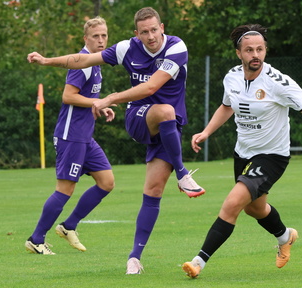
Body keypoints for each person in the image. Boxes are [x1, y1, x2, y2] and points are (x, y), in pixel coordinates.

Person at [27, 7, 205, 272]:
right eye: (144, 32)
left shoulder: (176, 48)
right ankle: (182, 173)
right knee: (165, 110)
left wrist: (109, 99)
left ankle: (134, 258)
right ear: (137, 34)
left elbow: (152, 86)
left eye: (154, 30)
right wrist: (46, 60)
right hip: (136, 118)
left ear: (162, 27)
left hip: (167, 127)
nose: (150, 36)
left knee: (149, 190)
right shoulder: (126, 48)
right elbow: (82, 60)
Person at [181, 24, 302, 279]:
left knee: (233, 204)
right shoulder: (232, 77)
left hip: (272, 156)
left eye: (260, 49)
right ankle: (285, 236)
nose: (255, 54)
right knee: (254, 209)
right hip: (243, 153)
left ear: (266, 51)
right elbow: (227, 107)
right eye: (249, 50)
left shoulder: (278, 82)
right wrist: (206, 132)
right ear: (239, 53)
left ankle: (198, 261)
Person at [25, 16, 115, 255]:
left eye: (104, 35)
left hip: (85, 136)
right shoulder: (84, 63)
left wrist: (99, 105)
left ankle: (69, 226)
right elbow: (68, 96)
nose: (101, 39)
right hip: (71, 136)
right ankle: (36, 239)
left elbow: (85, 99)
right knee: (65, 189)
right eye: (95, 36)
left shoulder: (95, 63)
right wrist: (97, 101)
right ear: (86, 38)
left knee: (107, 182)